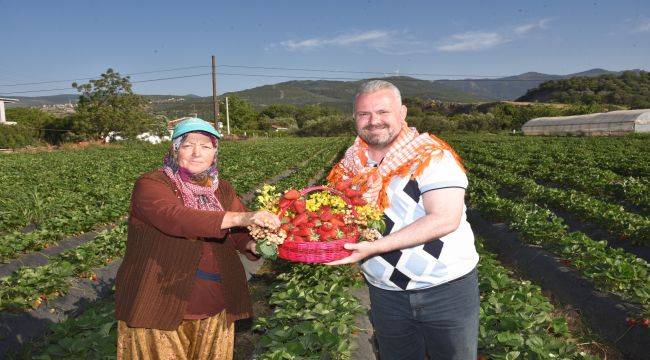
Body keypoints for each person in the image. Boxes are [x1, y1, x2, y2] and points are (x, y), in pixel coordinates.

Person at [327, 80, 479, 359]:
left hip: (445, 289)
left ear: (403, 113)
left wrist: (374, 247)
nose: (374, 121)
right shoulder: (350, 164)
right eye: (364, 114)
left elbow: (444, 219)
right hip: (386, 292)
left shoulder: (432, 156)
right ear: (354, 118)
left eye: (383, 112)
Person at [115, 117, 280, 360]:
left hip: (213, 301)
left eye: (205, 146)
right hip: (160, 301)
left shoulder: (221, 189)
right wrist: (240, 218)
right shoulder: (152, 184)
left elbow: (238, 236)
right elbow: (175, 218)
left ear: (215, 152)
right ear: (175, 149)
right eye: (188, 145)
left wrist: (254, 244)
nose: (196, 153)